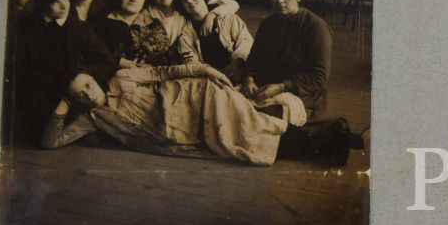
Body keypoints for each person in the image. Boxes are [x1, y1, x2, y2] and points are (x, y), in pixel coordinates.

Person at [41, 63, 292, 165]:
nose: (87, 93)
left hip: (188, 98)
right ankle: (291, 138)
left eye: (87, 85)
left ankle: (290, 137)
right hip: (174, 131)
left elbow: (164, 72)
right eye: (78, 95)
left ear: (94, 79)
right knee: (232, 138)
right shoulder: (91, 120)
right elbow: (50, 142)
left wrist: (205, 70)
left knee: (232, 111)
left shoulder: (122, 78)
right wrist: (62, 106)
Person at [9, 0, 114, 143]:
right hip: (34, 95)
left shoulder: (79, 29)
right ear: (44, 4)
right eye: (55, 2)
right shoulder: (27, 26)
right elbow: (18, 66)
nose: (63, 5)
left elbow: (106, 60)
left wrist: (81, 72)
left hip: (68, 95)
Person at [243, 0, 334, 123]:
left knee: (263, 115)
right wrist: (249, 79)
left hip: (304, 92)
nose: (280, 0)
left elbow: (319, 76)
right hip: (267, 85)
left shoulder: (315, 27)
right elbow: (254, 59)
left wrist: (282, 87)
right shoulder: (268, 24)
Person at [179, 0, 252, 79]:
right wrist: (209, 72)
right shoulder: (186, 32)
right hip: (209, 76)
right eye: (184, 0)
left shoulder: (228, 18)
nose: (189, 0)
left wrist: (238, 61)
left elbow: (245, 41)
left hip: (238, 69)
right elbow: (190, 60)